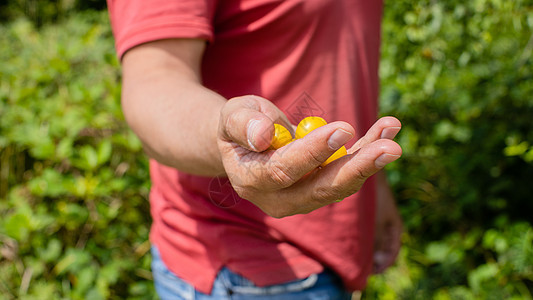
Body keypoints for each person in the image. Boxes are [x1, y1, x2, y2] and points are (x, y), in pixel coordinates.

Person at [107, 0, 403, 299]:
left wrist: (370, 183)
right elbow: (154, 85)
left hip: (334, 252)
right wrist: (228, 137)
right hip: (245, 265)